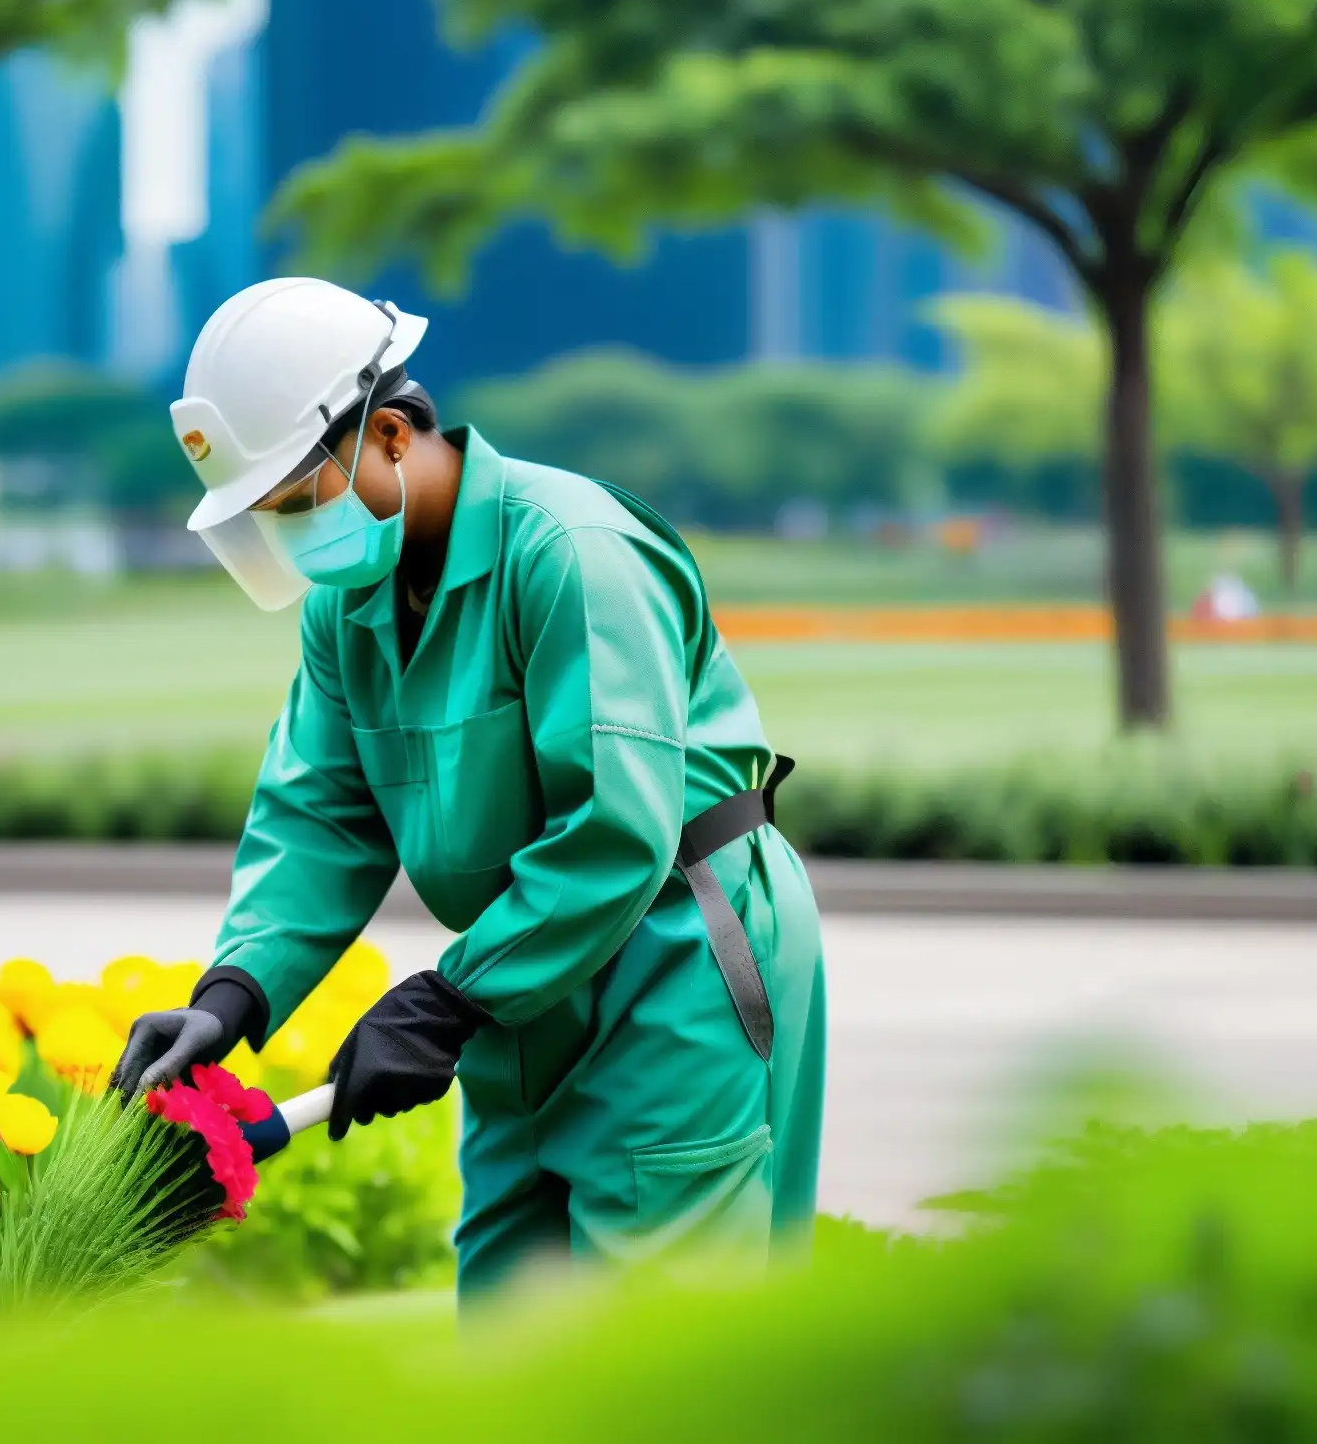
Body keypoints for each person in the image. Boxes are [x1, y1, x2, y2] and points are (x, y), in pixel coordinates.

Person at [112, 277, 825, 1296]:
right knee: (508, 1318)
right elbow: (317, 817)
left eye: (297, 501)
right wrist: (233, 997)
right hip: (520, 988)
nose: (289, 536)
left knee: (660, 1348)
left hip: (674, 961)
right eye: (267, 516)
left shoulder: (569, 552)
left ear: (394, 435)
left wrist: (446, 1000)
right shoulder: (348, 605)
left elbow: (617, 827)